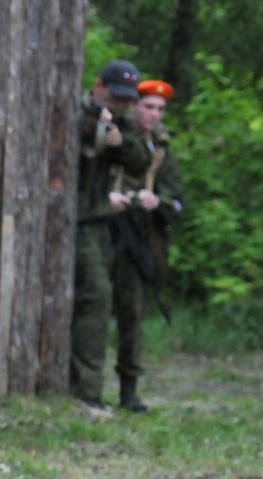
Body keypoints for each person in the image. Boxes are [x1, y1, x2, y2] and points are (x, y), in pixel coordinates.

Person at [71, 60, 155, 410]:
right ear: (99, 85)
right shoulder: (74, 109)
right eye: (116, 97)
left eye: (127, 100)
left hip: (98, 221)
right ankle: (86, 392)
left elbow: (140, 160)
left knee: (101, 299)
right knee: (97, 296)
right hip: (76, 218)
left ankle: (88, 389)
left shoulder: (120, 120)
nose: (121, 105)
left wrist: (118, 141)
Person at [107, 78, 186, 412]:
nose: (153, 114)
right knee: (91, 306)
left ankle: (129, 389)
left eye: (160, 109)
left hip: (141, 238)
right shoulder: (114, 134)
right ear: (134, 106)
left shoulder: (162, 149)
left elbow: (179, 200)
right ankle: (81, 384)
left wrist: (159, 201)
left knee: (132, 314)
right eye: (148, 106)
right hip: (105, 228)